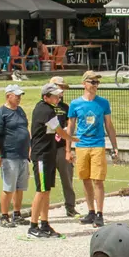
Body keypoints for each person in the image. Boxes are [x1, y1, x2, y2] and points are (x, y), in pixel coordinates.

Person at [68, 72, 118, 229]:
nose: (96, 85)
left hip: (97, 144)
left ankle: (100, 213)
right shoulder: (75, 104)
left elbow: (109, 125)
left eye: (97, 83)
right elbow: (70, 127)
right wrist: (67, 149)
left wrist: (115, 145)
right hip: (82, 145)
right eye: (93, 82)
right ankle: (90, 211)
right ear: (84, 83)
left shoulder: (103, 103)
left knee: (98, 180)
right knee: (85, 179)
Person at [26, 81, 70, 239]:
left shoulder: (49, 108)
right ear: (46, 97)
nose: (58, 97)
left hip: (49, 154)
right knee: (41, 190)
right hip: (41, 156)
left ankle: (44, 223)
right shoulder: (44, 110)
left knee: (47, 191)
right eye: (55, 95)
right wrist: (74, 139)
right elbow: (60, 131)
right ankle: (33, 226)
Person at [0, 84, 30, 228]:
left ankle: (17, 214)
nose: (19, 98)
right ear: (8, 96)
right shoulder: (0, 113)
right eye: (16, 95)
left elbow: (25, 130)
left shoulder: (20, 111)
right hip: (9, 156)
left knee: (20, 187)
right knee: (8, 188)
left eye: (20, 96)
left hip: (23, 155)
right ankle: (4, 216)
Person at [47, 75, 79, 219]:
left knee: (67, 179)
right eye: (59, 88)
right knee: (45, 182)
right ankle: (42, 212)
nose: (61, 92)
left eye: (62, 89)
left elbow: (68, 129)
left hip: (61, 148)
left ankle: (70, 207)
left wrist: (68, 150)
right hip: (47, 148)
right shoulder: (44, 107)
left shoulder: (66, 108)